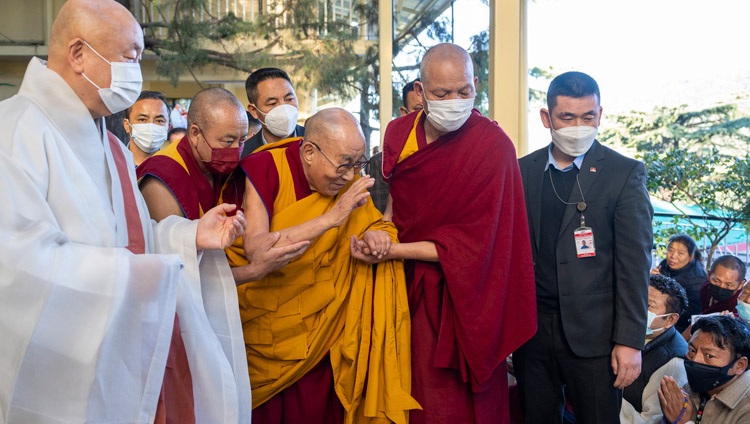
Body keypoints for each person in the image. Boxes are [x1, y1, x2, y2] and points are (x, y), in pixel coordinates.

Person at [0, 1, 251, 423]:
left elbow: (133, 242)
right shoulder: (15, 130)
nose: (137, 68)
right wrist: (129, 276)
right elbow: (14, 262)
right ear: (78, 54)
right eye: (130, 56)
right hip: (58, 369)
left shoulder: (111, 144)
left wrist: (190, 237)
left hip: (117, 349)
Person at [370, 43, 537, 423]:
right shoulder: (399, 134)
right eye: (442, 94)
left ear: (476, 85)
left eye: (464, 92)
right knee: (413, 397)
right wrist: (378, 234)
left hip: (469, 294)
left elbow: (480, 246)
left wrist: (394, 250)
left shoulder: (493, 146)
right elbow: (394, 211)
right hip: (404, 289)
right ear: (421, 90)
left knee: (462, 405)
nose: (454, 101)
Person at [239, 107, 419, 422]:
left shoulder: (347, 183)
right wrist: (332, 219)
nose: (351, 175)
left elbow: (371, 224)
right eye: (344, 164)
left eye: (357, 164)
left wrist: (377, 237)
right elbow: (257, 249)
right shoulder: (266, 166)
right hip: (269, 331)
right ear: (309, 152)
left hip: (326, 337)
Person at [514, 71, 654, 424]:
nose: (579, 125)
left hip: (596, 336)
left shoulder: (623, 173)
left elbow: (634, 264)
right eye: (567, 117)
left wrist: (630, 341)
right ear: (547, 118)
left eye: (588, 117)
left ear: (600, 115)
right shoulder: (522, 171)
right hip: (533, 332)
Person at [137, 87, 309, 284]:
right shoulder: (162, 180)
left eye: (242, 140)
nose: (236, 150)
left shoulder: (224, 169)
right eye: (228, 141)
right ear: (194, 134)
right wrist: (253, 272)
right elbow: (176, 273)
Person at [657, 315, 750, 423]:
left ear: (740, 365)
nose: (695, 360)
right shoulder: (692, 388)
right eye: (692, 350)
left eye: (709, 356)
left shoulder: (746, 407)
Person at [623, 274, 688, 413]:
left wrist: (603, 395)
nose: (637, 309)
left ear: (670, 320)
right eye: (637, 299)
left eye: (648, 305)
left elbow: (648, 419)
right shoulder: (626, 331)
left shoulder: (673, 363)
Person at [367, 78, 423, 213]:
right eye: (419, 109)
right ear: (404, 113)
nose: (427, 115)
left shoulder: (454, 153)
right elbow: (381, 219)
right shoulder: (381, 163)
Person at [241, 67, 304, 157]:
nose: (284, 108)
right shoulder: (244, 155)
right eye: (272, 103)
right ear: (253, 110)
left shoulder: (316, 141)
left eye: (289, 99)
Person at [652, 234, 707, 332]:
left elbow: (691, 313)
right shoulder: (665, 265)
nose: (673, 256)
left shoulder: (697, 280)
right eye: (670, 250)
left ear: (691, 257)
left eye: (680, 253)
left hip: (681, 326)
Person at [124, 90, 170, 166]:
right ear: (127, 125)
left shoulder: (175, 168)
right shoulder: (111, 163)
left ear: (168, 127)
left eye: (159, 121)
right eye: (142, 119)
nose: (151, 127)